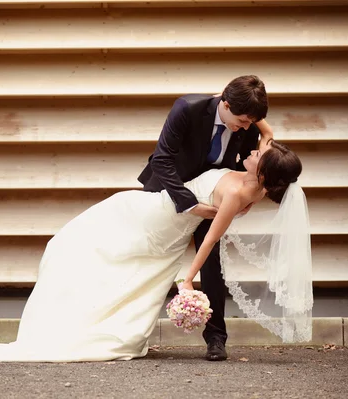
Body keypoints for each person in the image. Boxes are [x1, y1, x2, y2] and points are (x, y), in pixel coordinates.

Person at [0, 138, 312, 363]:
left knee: (88, 247)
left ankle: (75, 326)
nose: (254, 147)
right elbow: (265, 142)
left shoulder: (240, 191)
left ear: (263, 172)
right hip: (162, 212)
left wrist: (188, 279)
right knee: (89, 247)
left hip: (160, 218)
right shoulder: (257, 185)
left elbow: (210, 239)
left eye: (260, 153)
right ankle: (80, 319)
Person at [138, 75, 269, 361]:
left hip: (213, 194)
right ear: (225, 103)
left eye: (251, 122)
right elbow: (162, 159)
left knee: (211, 262)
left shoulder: (246, 121)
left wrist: (244, 199)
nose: (247, 128)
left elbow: (252, 162)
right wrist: (189, 204)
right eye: (243, 120)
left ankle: (216, 338)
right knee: (148, 256)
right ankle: (134, 330)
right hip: (169, 189)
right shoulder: (186, 108)